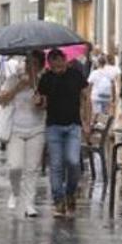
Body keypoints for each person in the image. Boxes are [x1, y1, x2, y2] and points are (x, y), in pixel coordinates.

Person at [38, 48, 91, 218]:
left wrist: (87, 122)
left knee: (73, 161)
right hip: (53, 126)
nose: (57, 67)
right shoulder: (46, 78)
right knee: (56, 165)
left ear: (65, 59)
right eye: (53, 64)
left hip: (73, 126)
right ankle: (58, 201)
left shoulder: (76, 75)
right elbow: (42, 104)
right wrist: (38, 100)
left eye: (59, 63)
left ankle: (70, 193)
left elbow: (85, 97)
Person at [0, 50, 46, 217]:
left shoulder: (42, 82)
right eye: (28, 63)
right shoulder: (13, 79)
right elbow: (1, 100)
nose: (30, 67)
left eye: (34, 64)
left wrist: (40, 101)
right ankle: (15, 191)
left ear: (40, 66)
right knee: (15, 166)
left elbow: (47, 104)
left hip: (37, 128)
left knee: (32, 169)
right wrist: (18, 87)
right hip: (16, 129)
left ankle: (29, 203)